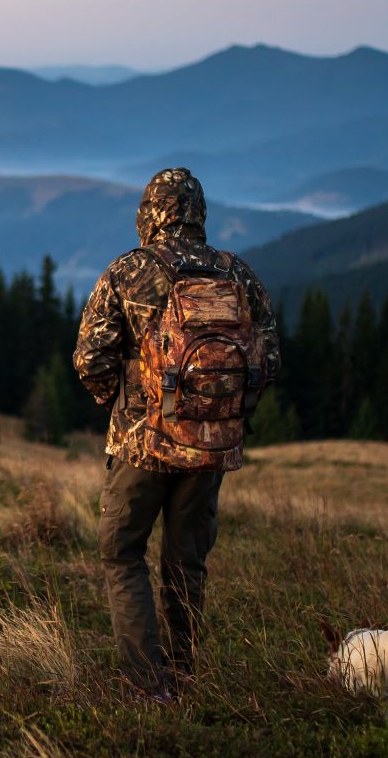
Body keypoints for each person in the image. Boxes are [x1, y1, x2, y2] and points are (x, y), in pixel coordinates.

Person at [72, 167, 280, 700]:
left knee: (122, 552)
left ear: (149, 214)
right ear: (198, 214)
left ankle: (148, 685)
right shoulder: (238, 274)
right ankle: (184, 674)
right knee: (186, 561)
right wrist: (217, 411)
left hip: (141, 444)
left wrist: (119, 402)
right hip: (210, 447)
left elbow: (89, 359)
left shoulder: (130, 271)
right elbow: (269, 360)